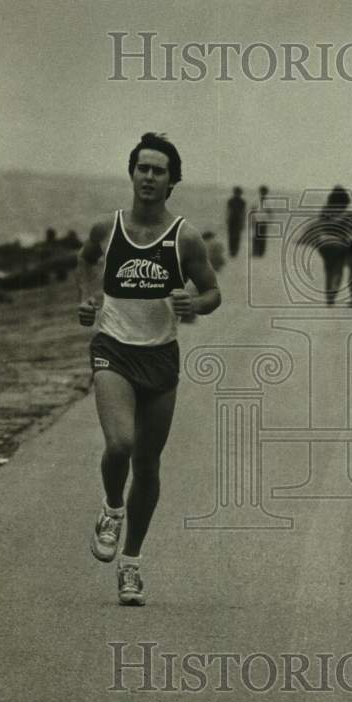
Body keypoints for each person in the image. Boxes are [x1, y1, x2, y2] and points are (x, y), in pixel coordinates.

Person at [76, 133, 221, 605]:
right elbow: (86, 260)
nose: (149, 177)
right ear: (132, 172)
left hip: (160, 357)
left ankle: (131, 565)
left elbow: (213, 293)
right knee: (120, 443)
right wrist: (87, 296)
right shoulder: (108, 227)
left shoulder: (185, 237)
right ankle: (112, 508)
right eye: (143, 168)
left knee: (148, 464)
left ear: (171, 182)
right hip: (113, 348)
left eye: (159, 171)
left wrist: (192, 301)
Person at [226, 186, 246, 258]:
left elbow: (243, 212)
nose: (237, 194)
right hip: (231, 220)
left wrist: (243, 222)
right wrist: (227, 219)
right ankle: (231, 251)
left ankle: (235, 251)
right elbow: (228, 211)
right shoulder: (230, 201)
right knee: (231, 236)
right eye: (236, 192)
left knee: (237, 237)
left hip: (238, 221)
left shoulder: (242, 202)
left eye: (238, 193)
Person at [251, 184, 271, 258]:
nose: (263, 193)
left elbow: (270, 211)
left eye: (264, 192)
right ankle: (255, 252)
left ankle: (261, 253)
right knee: (255, 237)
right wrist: (252, 220)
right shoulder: (256, 200)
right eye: (262, 191)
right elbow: (252, 210)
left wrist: (269, 219)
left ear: (266, 192)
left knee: (262, 237)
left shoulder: (268, 201)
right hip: (256, 220)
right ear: (260, 192)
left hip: (264, 221)